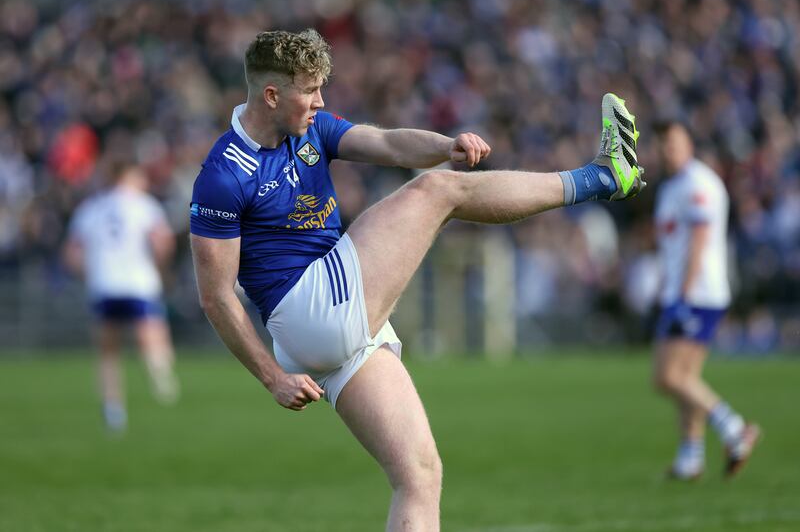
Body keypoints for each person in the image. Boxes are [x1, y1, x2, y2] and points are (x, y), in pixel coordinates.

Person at [189, 28, 643, 530]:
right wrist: (272, 379)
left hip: (335, 319)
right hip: (310, 306)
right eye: (310, 90)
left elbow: (385, 142)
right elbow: (215, 297)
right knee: (437, 192)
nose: (320, 101)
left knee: (419, 474)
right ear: (272, 95)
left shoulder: (308, 129)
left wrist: (445, 145)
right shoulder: (222, 173)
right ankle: (602, 176)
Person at [652, 121, 760, 480]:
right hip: (683, 292)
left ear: (689, 143)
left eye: (673, 142)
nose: (668, 149)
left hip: (697, 293)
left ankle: (734, 428)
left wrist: (682, 295)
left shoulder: (699, 183)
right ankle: (690, 457)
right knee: (685, 378)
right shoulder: (672, 187)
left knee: (668, 377)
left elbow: (700, 240)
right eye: (663, 143)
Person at [64, 158, 180, 432]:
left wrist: (88, 275)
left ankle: (113, 409)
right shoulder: (144, 205)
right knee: (152, 335)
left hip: (104, 284)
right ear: (129, 177)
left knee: (108, 351)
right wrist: (160, 268)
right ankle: (162, 381)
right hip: (138, 281)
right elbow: (162, 241)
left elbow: (72, 252)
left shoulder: (91, 207)